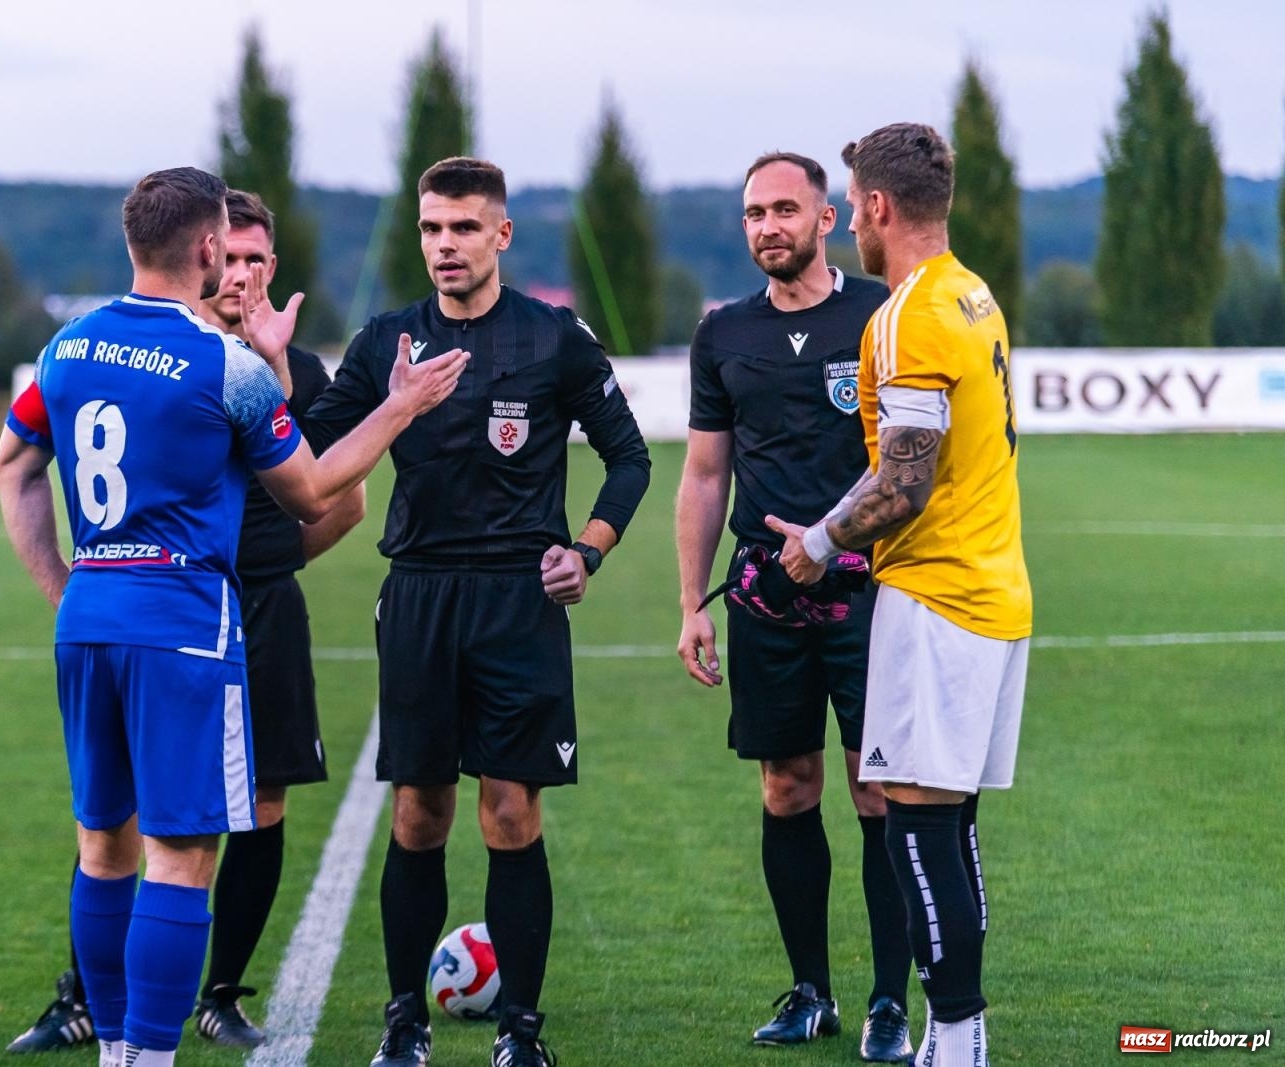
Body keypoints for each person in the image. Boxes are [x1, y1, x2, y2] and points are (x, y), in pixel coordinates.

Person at [0, 166, 467, 1067]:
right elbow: (320, 488)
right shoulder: (224, 365)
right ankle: (149, 1056)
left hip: (89, 616)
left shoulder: (65, 348)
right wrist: (401, 406)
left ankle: (112, 1050)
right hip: (182, 624)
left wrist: (66, 583)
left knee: (103, 844)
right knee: (179, 854)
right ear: (209, 248)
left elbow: (10, 467)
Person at [282, 156, 650, 1067]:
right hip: (419, 593)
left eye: (464, 228)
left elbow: (630, 458)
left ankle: (522, 1031)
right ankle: (404, 1021)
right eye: (432, 229)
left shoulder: (554, 339)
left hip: (521, 598)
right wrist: (286, 370)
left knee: (512, 812)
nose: (446, 246)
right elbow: (311, 451)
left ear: (501, 236)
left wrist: (589, 548)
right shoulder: (385, 343)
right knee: (419, 811)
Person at [767, 123, 1032, 1067]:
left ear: (874, 207)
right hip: (996, 592)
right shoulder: (973, 292)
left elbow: (904, 484)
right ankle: (962, 1031)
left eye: (853, 207)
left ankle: (955, 1040)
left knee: (916, 821)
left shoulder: (911, 312)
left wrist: (816, 541)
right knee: (951, 827)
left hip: (937, 598)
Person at [676, 151, 914, 1063]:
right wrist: (692, 601)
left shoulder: (879, 317)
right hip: (765, 598)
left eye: (784, 209)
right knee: (787, 788)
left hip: (871, 592)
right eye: (752, 214)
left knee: (877, 790)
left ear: (827, 219)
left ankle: (890, 1002)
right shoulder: (723, 334)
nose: (766, 226)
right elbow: (703, 474)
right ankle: (811, 989)